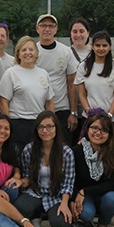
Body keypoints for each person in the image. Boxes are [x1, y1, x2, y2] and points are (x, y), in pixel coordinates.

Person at [13, 111, 76, 227]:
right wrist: (21, 181)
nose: (45, 131)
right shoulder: (29, 149)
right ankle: (36, 216)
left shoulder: (66, 152)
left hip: (55, 195)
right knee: (20, 208)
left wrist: (64, 203)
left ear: (56, 128)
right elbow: (29, 177)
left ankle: (45, 215)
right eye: (41, 127)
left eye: (49, 126)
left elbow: (68, 183)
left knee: (61, 223)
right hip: (35, 191)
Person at [71, 112, 114, 227]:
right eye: (94, 128)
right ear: (87, 129)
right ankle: (87, 221)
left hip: (102, 194)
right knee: (86, 213)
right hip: (83, 196)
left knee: (113, 198)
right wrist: (74, 198)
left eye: (104, 130)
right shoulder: (77, 151)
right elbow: (70, 180)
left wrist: (85, 191)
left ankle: (103, 223)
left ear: (110, 134)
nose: (98, 133)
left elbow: (113, 183)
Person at [0, 36, 54, 145]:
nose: (28, 53)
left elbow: (49, 101)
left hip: (39, 124)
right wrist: (8, 125)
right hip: (18, 123)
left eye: (31, 50)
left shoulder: (43, 73)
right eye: (24, 50)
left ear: (36, 53)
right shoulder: (11, 73)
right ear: (18, 54)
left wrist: (51, 123)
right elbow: (3, 101)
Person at [74, 31, 114, 137]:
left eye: (104, 45)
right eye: (97, 45)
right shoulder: (83, 67)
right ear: (92, 46)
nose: (101, 48)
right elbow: (82, 94)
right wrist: (88, 111)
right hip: (90, 119)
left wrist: (109, 115)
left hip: (113, 119)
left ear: (110, 47)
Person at [35, 14, 79, 142]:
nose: (47, 29)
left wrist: (73, 112)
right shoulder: (32, 51)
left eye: (51, 26)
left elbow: (72, 83)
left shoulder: (65, 51)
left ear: (56, 29)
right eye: (43, 26)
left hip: (61, 108)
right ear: (37, 29)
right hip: (37, 109)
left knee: (63, 147)